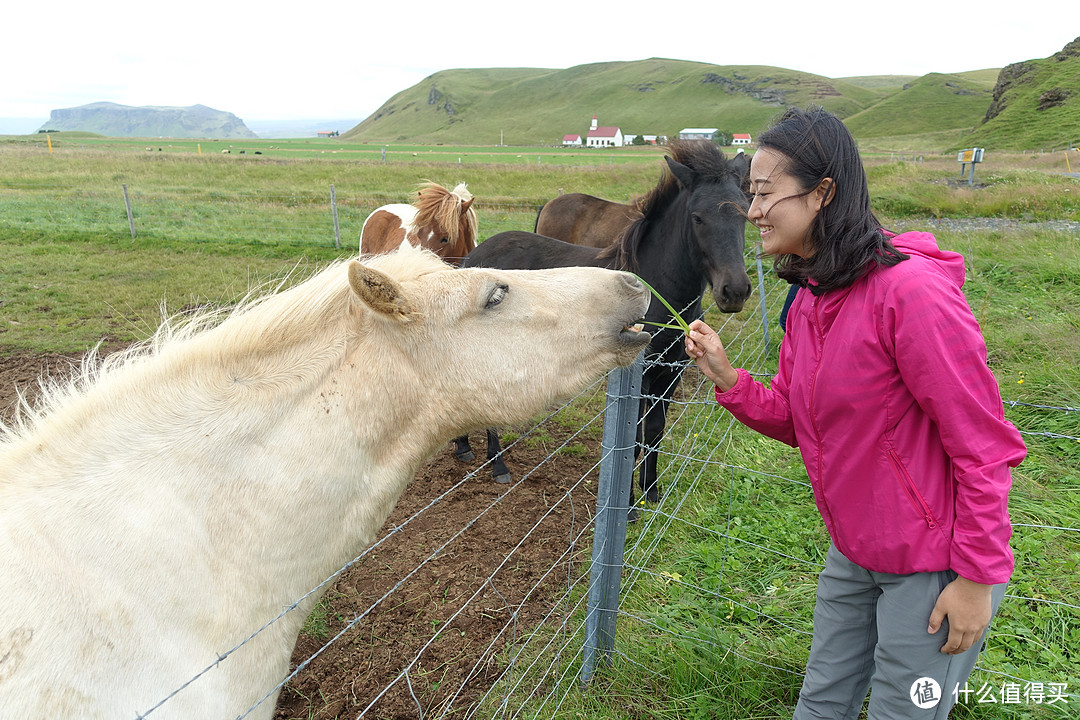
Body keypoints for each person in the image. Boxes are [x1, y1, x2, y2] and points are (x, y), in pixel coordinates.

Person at [685, 106, 1026, 719]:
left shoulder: (911, 296)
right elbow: (799, 419)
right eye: (748, 195)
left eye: (763, 194)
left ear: (824, 192)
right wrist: (729, 379)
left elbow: (984, 445)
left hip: (930, 565)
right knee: (820, 702)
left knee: (905, 710)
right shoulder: (811, 297)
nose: (752, 212)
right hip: (853, 551)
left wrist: (976, 578)